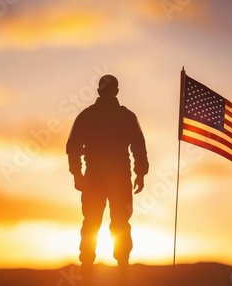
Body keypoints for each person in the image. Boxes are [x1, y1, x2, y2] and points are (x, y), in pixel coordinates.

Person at [66, 74, 149, 282]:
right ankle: (119, 271)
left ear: (99, 91)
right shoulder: (125, 116)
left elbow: (73, 147)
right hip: (116, 179)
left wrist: (77, 173)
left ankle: (92, 271)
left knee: (95, 223)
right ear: (116, 92)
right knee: (115, 223)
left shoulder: (88, 115)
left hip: (100, 179)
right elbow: (139, 147)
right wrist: (140, 173)